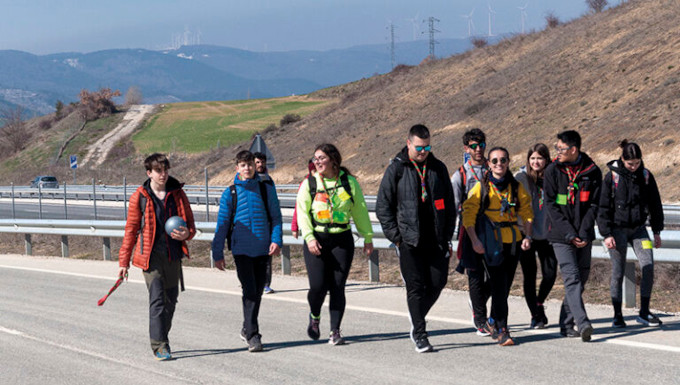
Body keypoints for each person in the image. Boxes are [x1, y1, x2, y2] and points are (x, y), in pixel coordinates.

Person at [376, 124, 456, 353]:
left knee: (438, 282)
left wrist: (447, 233)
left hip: (436, 239)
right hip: (409, 240)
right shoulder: (397, 169)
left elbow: (449, 205)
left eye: (428, 147)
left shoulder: (438, 167)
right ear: (409, 143)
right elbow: (383, 206)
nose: (423, 151)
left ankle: (417, 317)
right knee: (416, 287)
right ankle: (420, 333)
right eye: (419, 147)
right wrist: (396, 237)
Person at [118, 153, 196, 361]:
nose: (163, 174)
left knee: (171, 301)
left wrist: (187, 234)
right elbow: (131, 229)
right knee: (157, 301)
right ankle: (159, 345)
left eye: (166, 170)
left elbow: (190, 225)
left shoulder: (178, 193)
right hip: (150, 257)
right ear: (149, 173)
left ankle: (162, 336)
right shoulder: (141, 196)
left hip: (173, 254)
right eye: (158, 171)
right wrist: (124, 262)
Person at [296, 143, 373, 346]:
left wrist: (367, 237)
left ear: (333, 160)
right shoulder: (309, 183)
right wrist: (310, 238)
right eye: (315, 159)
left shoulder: (349, 183)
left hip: (342, 240)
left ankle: (335, 331)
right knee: (318, 287)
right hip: (318, 239)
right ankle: (314, 316)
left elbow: (360, 211)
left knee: (338, 286)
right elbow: (303, 213)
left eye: (321, 158)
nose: (317, 162)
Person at [212, 150, 283, 352]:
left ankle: (246, 327)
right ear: (237, 168)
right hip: (241, 249)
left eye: (250, 164)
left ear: (255, 166)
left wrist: (276, 240)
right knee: (250, 291)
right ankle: (253, 335)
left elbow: (276, 217)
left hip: (263, 248)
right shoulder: (230, 193)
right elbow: (222, 225)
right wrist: (217, 253)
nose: (247, 168)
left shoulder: (265, 188)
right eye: (243, 165)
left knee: (257, 291)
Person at [463, 147, 533, 346]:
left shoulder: (516, 187)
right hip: (490, 243)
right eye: (494, 161)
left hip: (512, 242)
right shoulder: (481, 187)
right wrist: (474, 240)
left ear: (508, 161)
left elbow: (527, 211)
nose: (499, 164)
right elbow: (468, 213)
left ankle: (492, 321)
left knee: (503, 286)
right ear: (489, 164)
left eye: (503, 160)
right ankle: (502, 330)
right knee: (500, 286)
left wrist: (528, 235)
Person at [597, 140, 664, 328]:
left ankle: (644, 312)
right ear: (622, 160)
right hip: (616, 231)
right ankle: (617, 315)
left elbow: (655, 205)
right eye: (630, 164)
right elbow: (602, 208)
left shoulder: (646, 176)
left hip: (639, 230)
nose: (634, 167)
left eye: (637, 162)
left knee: (648, 265)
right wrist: (606, 234)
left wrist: (657, 231)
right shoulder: (612, 177)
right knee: (617, 272)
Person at [544, 130, 601, 342]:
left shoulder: (592, 171)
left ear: (574, 149)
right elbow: (551, 205)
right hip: (560, 236)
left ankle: (566, 324)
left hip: (584, 234)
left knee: (582, 277)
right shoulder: (552, 171)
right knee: (572, 278)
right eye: (556, 148)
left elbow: (594, 205)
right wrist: (569, 233)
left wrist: (584, 232)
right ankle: (583, 322)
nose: (557, 152)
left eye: (561, 149)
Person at [451, 128, 493, 337]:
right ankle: (480, 320)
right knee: (475, 275)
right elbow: (455, 204)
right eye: (474, 146)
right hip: (470, 229)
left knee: (497, 274)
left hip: (494, 228)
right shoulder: (460, 174)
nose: (478, 150)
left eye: (481, 145)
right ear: (467, 148)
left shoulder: (494, 167)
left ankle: (478, 301)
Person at [515, 143, 558, 329]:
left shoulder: (553, 177)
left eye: (539, 158)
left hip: (547, 234)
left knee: (550, 274)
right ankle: (535, 315)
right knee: (529, 276)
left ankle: (539, 303)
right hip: (526, 234)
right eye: (532, 158)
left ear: (546, 159)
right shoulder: (522, 178)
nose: (536, 162)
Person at [254, 152, 276, 294]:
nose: (261, 165)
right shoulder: (248, 180)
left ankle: (265, 283)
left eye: (262, 162)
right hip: (253, 223)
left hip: (267, 222)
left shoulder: (268, 180)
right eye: (257, 162)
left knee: (267, 256)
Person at [291, 159, 316, 239]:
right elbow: (298, 206)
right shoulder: (306, 184)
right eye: (313, 170)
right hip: (310, 226)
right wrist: (295, 226)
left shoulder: (327, 182)